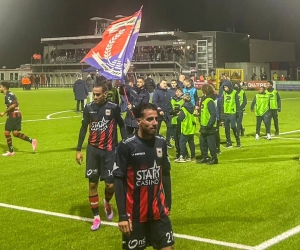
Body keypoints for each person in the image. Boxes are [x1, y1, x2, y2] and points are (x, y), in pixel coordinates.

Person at [114, 103, 174, 250]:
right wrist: (122, 215)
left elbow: (165, 173)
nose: (155, 123)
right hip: (134, 216)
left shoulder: (161, 142)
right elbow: (118, 180)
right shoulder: (126, 146)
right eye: (150, 119)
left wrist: (168, 202)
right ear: (138, 121)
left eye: (156, 119)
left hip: (158, 212)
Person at [75, 80, 126, 231]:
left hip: (110, 151)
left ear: (105, 94)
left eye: (98, 94)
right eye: (94, 94)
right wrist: (78, 149)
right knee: (92, 184)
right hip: (93, 151)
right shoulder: (88, 108)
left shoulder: (114, 108)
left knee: (110, 185)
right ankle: (96, 217)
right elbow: (84, 128)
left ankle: (107, 201)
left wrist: (126, 143)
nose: (95, 97)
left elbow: (122, 125)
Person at [0, 82, 37, 156]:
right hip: (17, 114)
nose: (0, 88)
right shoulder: (11, 94)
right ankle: (32, 140)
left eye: (0, 87)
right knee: (15, 133)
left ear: (4, 88)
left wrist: (4, 112)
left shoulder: (7, 95)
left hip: (13, 115)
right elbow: (17, 103)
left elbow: (13, 105)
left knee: (7, 132)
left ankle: (11, 152)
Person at [197, 84, 218, 165]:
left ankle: (214, 158)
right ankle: (205, 157)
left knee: (211, 143)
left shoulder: (209, 101)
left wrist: (210, 124)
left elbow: (213, 114)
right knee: (202, 142)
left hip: (209, 126)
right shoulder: (204, 100)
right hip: (203, 125)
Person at [219, 81, 241, 148]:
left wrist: (237, 114)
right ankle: (229, 142)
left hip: (232, 113)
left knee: (233, 126)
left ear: (229, 86)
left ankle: (238, 141)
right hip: (226, 113)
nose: (225, 88)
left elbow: (237, 104)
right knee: (227, 129)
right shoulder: (224, 94)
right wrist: (222, 117)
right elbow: (222, 105)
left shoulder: (234, 93)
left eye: (226, 87)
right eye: (224, 87)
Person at [152, 79, 173, 148]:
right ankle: (155, 142)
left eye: (166, 83)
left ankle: (167, 142)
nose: (165, 85)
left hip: (167, 113)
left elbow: (170, 102)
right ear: (160, 84)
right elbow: (154, 102)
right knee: (157, 128)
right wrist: (159, 110)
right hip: (159, 113)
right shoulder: (156, 92)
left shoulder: (168, 91)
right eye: (164, 83)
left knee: (170, 127)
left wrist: (171, 110)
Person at [177, 94, 196, 162]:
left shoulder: (184, 108)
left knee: (182, 142)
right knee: (191, 142)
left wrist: (179, 114)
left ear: (183, 100)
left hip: (185, 128)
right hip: (192, 128)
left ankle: (182, 157)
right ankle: (193, 157)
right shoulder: (193, 107)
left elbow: (180, 118)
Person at [170, 87, 184, 161]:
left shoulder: (184, 100)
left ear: (182, 92)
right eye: (177, 92)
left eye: (180, 91)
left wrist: (179, 113)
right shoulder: (172, 99)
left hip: (181, 122)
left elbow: (184, 111)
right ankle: (178, 153)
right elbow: (169, 110)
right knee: (176, 139)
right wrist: (174, 112)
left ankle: (183, 153)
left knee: (181, 139)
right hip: (174, 122)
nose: (178, 93)